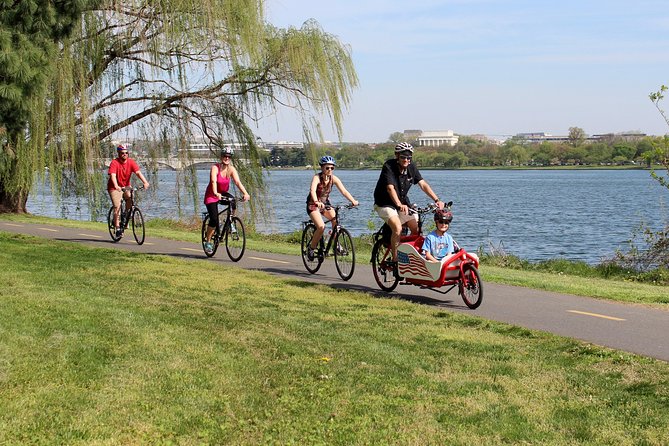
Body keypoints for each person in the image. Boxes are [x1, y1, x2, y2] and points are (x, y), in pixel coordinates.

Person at [373, 142, 444, 265]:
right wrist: (399, 204)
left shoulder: (411, 167)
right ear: (397, 156)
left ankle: (407, 252)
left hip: (403, 202)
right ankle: (395, 259)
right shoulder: (389, 166)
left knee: (415, 230)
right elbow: (390, 188)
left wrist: (436, 200)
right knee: (397, 228)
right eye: (403, 157)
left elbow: (423, 184)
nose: (406, 160)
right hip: (384, 203)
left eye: (409, 157)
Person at [305, 155, 359, 260]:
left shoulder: (333, 179)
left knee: (335, 221)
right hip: (313, 204)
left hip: (325, 204)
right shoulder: (317, 177)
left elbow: (344, 191)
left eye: (332, 168)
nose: (330, 170)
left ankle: (336, 244)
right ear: (322, 168)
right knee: (321, 227)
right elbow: (312, 190)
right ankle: (311, 249)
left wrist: (353, 201)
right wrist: (316, 201)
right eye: (327, 168)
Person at [203, 147, 251, 253]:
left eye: (229, 157)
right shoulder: (215, 168)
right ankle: (208, 242)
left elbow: (238, 182)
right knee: (214, 219)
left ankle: (231, 222)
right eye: (225, 156)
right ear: (221, 157)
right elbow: (213, 181)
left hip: (223, 193)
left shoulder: (231, 169)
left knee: (233, 201)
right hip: (212, 195)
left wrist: (245, 193)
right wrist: (216, 193)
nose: (227, 158)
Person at [107, 144, 150, 237]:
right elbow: (113, 175)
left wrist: (145, 182)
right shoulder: (114, 163)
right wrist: (116, 185)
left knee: (130, 199)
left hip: (126, 186)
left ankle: (126, 216)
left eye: (126, 153)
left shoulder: (131, 162)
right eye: (122, 153)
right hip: (114, 188)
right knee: (117, 206)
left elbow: (138, 173)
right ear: (118, 153)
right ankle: (118, 228)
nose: (124, 154)